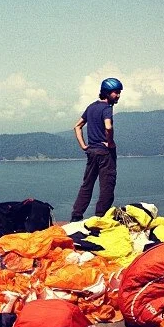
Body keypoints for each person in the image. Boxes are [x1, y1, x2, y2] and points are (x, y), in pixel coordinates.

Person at [70, 77, 123, 222]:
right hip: (105, 153)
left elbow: (77, 126)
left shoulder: (91, 107)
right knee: (107, 188)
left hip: (92, 152)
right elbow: (108, 127)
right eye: (115, 92)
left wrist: (83, 145)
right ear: (106, 92)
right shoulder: (107, 108)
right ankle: (100, 218)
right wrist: (110, 143)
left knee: (87, 185)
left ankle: (76, 216)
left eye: (119, 92)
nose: (118, 95)